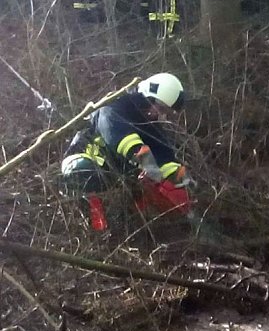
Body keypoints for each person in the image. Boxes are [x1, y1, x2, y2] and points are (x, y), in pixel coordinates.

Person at [60, 72, 192, 230]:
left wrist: (183, 180)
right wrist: (148, 164)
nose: (160, 115)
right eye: (160, 108)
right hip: (88, 162)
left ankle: (136, 226)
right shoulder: (113, 107)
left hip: (119, 173)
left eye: (166, 113)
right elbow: (120, 137)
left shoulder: (151, 125)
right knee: (82, 171)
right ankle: (96, 228)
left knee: (147, 187)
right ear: (149, 97)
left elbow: (165, 156)